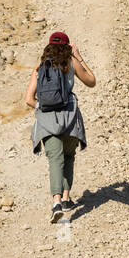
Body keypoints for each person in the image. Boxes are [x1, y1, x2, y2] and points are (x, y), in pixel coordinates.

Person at [25, 32, 95, 223]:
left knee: (55, 159)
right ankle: (65, 198)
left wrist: (43, 107)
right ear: (67, 47)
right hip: (70, 117)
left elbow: (28, 99)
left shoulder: (39, 68)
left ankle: (56, 202)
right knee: (68, 156)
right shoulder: (71, 64)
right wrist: (79, 57)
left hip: (47, 121)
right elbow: (91, 81)